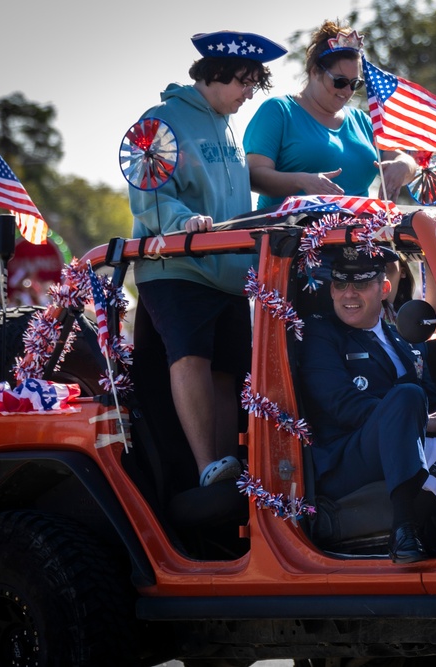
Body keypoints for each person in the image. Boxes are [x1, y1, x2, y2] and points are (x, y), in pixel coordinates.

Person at [130, 30, 286, 488]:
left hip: (230, 273)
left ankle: (225, 469)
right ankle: (205, 468)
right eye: (243, 83)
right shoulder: (160, 120)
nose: (247, 94)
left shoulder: (229, 127)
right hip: (177, 268)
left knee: (229, 372)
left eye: (254, 85)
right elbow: (149, 197)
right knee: (190, 357)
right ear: (215, 74)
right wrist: (185, 221)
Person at [298, 247, 436, 563]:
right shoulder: (321, 333)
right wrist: (425, 422)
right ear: (331, 289)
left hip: (400, 440)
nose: (348, 293)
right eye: (340, 284)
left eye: (360, 284)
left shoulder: (401, 336)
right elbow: (344, 405)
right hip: (345, 457)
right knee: (407, 396)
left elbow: (431, 396)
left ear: (383, 289)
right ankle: (403, 528)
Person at [243, 20, 417, 208]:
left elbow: (404, 159)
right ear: (315, 71)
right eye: (340, 81)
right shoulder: (279, 111)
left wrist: (403, 166)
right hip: (289, 235)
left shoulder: (361, 121)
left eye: (355, 84)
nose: (348, 91)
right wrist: (301, 181)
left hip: (357, 235)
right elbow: (253, 175)